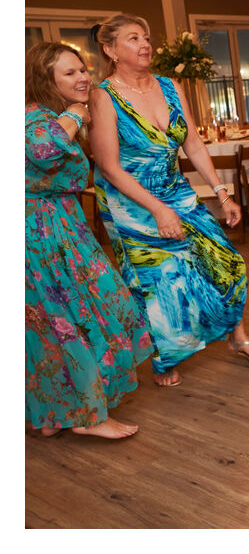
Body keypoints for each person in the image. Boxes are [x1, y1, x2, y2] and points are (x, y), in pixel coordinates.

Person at [88, 13, 249, 388]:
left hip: (174, 188)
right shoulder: (102, 96)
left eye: (146, 37)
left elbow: (192, 142)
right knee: (159, 281)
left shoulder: (169, 85)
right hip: (130, 200)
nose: (145, 44)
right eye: (133, 38)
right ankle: (164, 358)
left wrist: (222, 193)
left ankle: (237, 337)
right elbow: (108, 166)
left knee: (226, 261)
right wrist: (157, 210)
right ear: (110, 50)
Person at [26, 42, 153, 439]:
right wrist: (75, 114)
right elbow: (46, 150)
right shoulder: (35, 117)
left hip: (62, 224)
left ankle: (58, 413)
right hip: (42, 234)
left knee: (55, 321)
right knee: (73, 317)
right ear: (45, 81)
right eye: (70, 73)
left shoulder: (45, 114)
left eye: (83, 69)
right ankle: (89, 418)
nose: (83, 77)